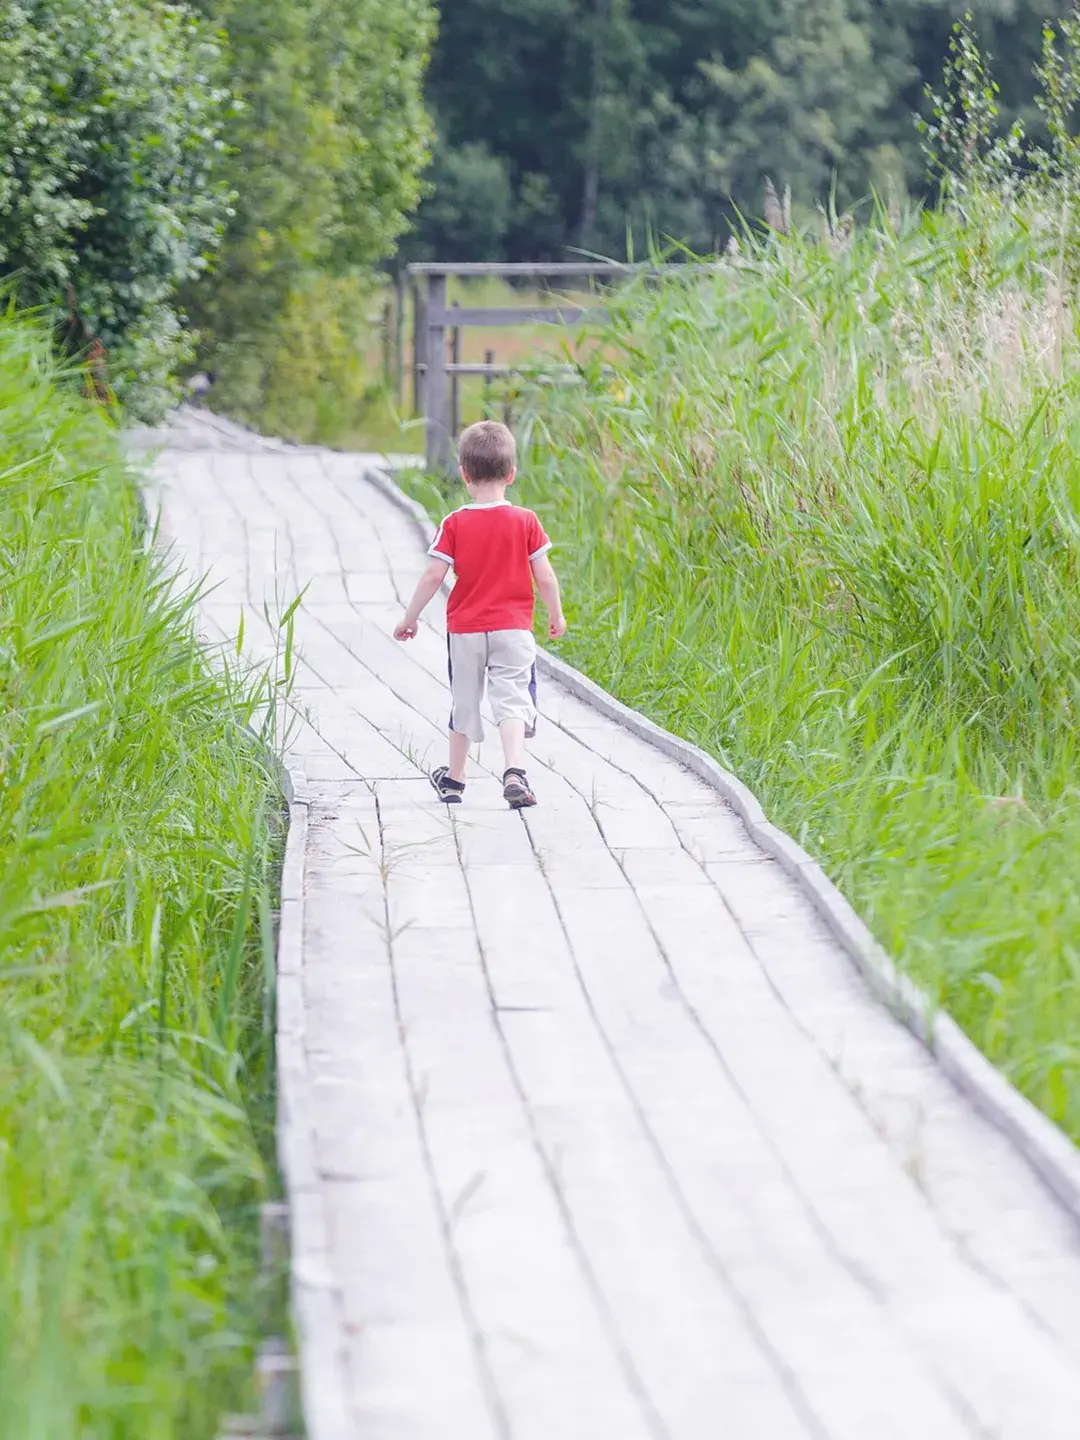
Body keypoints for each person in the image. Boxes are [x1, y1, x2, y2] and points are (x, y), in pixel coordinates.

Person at [393, 420, 567, 809]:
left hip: (466, 631)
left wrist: (410, 618)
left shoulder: (454, 523)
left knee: (465, 701)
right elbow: (545, 576)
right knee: (512, 698)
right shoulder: (526, 521)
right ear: (511, 474)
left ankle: (455, 780)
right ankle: (515, 771)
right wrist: (556, 614)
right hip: (514, 629)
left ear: (464, 475)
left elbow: (433, 575)